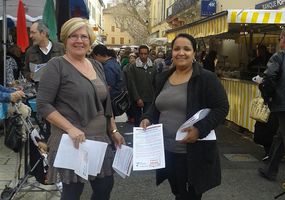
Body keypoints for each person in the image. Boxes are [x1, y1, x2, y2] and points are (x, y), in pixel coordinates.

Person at [36, 18, 125, 200]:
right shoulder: (56, 65)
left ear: (90, 40)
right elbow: (43, 104)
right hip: (72, 140)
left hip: (100, 139)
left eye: (84, 36)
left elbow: (105, 104)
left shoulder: (96, 65)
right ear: (65, 40)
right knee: (72, 192)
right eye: (73, 36)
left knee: (104, 187)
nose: (79, 40)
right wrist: (70, 128)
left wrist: (113, 129)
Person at [140, 33, 229, 200]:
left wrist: (199, 129)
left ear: (194, 53)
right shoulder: (163, 77)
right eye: (177, 49)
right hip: (167, 151)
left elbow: (222, 108)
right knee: (178, 192)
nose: (181, 53)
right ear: (171, 52)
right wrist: (147, 117)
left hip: (192, 153)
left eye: (187, 49)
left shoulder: (206, 78)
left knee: (189, 195)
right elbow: (155, 106)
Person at [258, 26, 285, 181]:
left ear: (283, 38)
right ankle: (270, 169)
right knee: (282, 137)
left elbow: (269, 78)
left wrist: (267, 97)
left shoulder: (279, 57)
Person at [127, 45, 157, 127]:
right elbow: (131, 84)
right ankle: (138, 138)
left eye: (145, 54)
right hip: (137, 98)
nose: (143, 56)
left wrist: (155, 97)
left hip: (150, 98)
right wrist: (137, 98)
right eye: (141, 54)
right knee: (138, 121)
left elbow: (156, 83)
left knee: (148, 120)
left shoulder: (153, 67)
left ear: (148, 54)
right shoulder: (133, 67)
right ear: (138, 54)